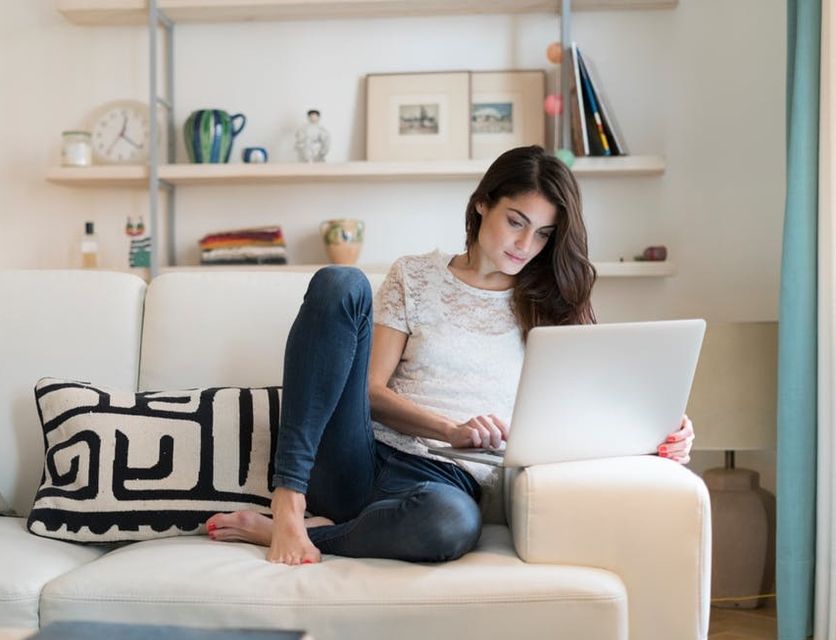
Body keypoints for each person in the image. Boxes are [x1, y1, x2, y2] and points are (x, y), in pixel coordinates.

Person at [207, 145, 696, 565]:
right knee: (341, 282)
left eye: (544, 234)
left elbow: (592, 410)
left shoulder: (556, 304)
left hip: (444, 483)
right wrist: (450, 429)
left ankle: (300, 534)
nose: (526, 244)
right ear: (483, 203)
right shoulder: (415, 275)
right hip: (359, 455)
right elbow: (371, 392)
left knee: (452, 526)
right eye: (517, 222)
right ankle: (288, 503)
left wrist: (661, 432)